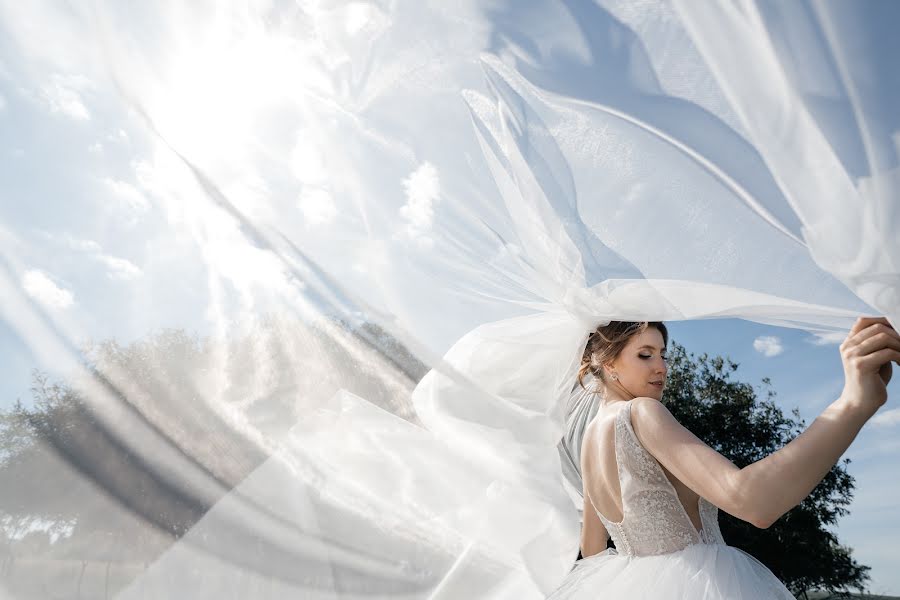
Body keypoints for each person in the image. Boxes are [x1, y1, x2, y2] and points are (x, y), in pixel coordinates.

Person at [548, 316, 898, 599]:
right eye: (645, 354)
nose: (662, 367)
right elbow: (752, 500)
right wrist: (854, 403)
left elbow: (592, 548)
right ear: (608, 364)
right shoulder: (641, 413)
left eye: (663, 354)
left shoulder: (590, 438)